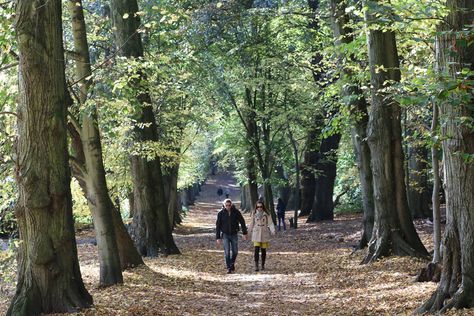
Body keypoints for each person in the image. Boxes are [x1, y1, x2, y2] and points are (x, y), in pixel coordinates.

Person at [216, 199, 248, 273]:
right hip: (225, 235)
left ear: (231, 205)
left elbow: (242, 221)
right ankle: (229, 267)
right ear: (224, 205)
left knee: (235, 251)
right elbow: (218, 226)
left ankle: (232, 263)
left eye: (229, 205)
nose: (228, 207)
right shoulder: (221, 213)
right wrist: (218, 237)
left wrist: (244, 233)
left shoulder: (236, 212)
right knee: (227, 252)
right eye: (226, 205)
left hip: (234, 234)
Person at [249, 201, 275, 272]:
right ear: (256, 207)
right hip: (256, 233)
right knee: (256, 250)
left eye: (261, 206)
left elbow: (270, 223)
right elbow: (251, 223)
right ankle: (256, 265)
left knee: (263, 250)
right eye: (258, 207)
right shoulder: (254, 213)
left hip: (264, 233)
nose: (259, 208)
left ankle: (263, 264)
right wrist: (248, 232)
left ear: (263, 206)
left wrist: (273, 230)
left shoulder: (266, 214)